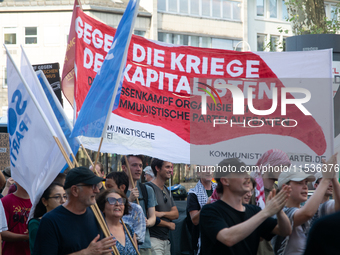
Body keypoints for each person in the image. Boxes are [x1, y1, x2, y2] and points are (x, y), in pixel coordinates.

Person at [200, 158, 292, 255]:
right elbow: (227, 238)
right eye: (240, 173)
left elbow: (285, 231)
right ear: (225, 180)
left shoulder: (254, 211)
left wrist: (278, 210)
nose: (247, 177)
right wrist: (266, 212)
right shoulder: (210, 211)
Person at [32, 166, 116, 255]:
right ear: (75, 190)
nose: (97, 190)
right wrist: (85, 253)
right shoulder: (50, 221)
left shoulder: (97, 214)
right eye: (92, 186)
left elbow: (106, 251)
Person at [272, 155, 339, 255]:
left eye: (306, 182)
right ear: (285, 187)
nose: (305, 186)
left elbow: (338, 208)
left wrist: (333, 178)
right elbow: (307, 213)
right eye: (299, 183)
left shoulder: (311, 209)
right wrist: (325, 179)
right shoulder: (280, 213)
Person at [122, 155, 156, 255]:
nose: (139, 169)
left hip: (144, 245)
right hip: (124, 243)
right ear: (124, 168)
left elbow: (153, 217)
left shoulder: (147, 190)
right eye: (134, 165)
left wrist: (147, 222)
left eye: (140, 166)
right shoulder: (118, 191)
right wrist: (129, 200)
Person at [105, 171, 146, 245]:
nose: (106, 190)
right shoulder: (104, 207)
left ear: (122, 188)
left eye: (110, 187)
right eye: (106, 187)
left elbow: (139, 236)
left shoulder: (136, 209)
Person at [148, 158, 179, 255]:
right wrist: (168, 224)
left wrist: (161, 214)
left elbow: (176, 214)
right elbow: (149, 217)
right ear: (157, 168)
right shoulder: (149, 188)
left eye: (171, 167)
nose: (171, 170)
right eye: (167, 167)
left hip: (166, 240)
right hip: (154, 240)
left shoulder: (166, 189)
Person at [28, 182, 66, 253]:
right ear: (44, 201)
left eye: (65, 196)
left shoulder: (68, 220)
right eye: (57, 197)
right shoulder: (36, 224)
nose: (63, 201)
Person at [97, 189, 138, 255]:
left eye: (121, 201)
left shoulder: (129, 229)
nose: (117, 204)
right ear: (103, 207)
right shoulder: (98, 230)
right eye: (112, 200)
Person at [186, 166, 216, 254]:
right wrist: (207, 205)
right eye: (205, 169)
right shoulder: (193, 193)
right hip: (203, 241)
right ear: (198, 173)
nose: (208, 172)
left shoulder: (220, 190)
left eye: (210, 169)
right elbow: (194, 220)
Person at [1, 181, 31, 255]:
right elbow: (2, 232)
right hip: (11, 251)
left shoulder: (38, 201)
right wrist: (25, 237)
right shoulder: (5, 201)